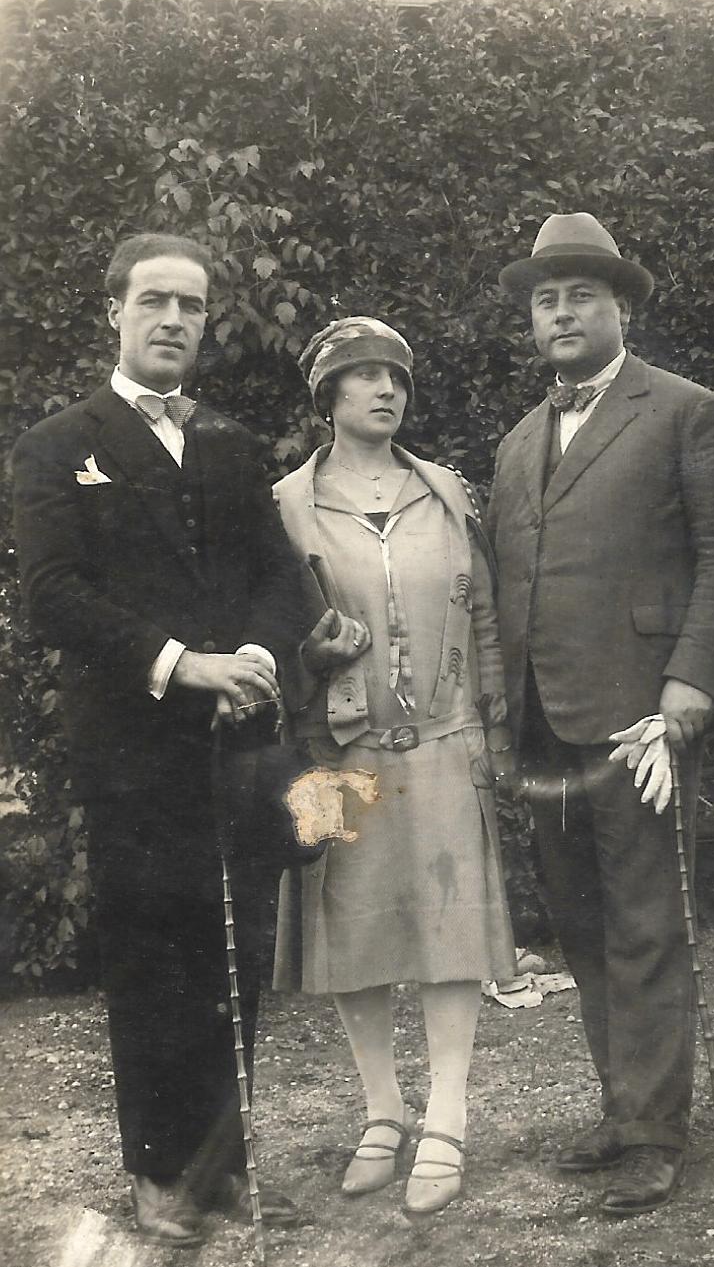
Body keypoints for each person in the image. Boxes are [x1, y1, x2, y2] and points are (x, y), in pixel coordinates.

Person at [12, 233, 308, 1247]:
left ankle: (221, 1167)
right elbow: (53, 596)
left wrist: (259, 660)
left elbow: (284, 580)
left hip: (237, 749)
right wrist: (186, 664)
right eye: (155, 301)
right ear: (115, 312)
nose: (175, 319)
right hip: (133, 756)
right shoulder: (59, 443)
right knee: (152, 965)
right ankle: (159, 1175)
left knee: (235, 963)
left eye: (191, 304)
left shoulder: (229, 440)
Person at [488, 213, 714, 1215]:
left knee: (644, 922)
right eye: (545, 298)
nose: (559, 310)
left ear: (618, 307)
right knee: (581, 923)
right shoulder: (514, 443)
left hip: (638, 714)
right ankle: (621, 1100)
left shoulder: (683, 411)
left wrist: (687, 686)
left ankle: (653, 1131)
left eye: (579, 294)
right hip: (542, 722)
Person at [271, 317, 517, 1216]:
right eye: (363, 377)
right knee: (354, 928)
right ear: (327, 396)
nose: (385, 391)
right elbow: (267, 632)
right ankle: (384, 1109)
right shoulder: (287, 504)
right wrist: (311, 650)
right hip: (335, 750)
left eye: (396, 379)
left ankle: (446, 1115)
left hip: (446, 740)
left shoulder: (446, 491)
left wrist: (490, 719)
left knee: (453, 930)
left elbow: (484, 614)